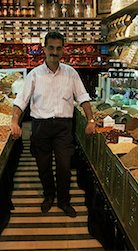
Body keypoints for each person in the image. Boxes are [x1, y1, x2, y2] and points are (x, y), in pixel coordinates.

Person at [11, 31, 96, 217]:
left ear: (63, 50)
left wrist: (90, 119)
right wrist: (14, 121)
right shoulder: (34, 75)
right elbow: (21, 100)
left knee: (64, 165)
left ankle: (64, 201)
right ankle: (49, 196)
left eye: (58, 48)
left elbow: (83, 97)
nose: (54, 52)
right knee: (43, 165)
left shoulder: (71, 73)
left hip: (64, 127)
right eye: (51, 48)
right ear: (44, 49)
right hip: (40, 126)